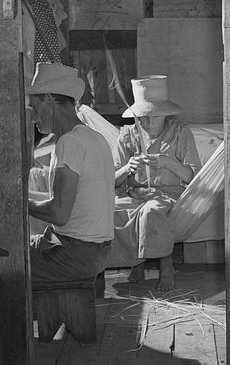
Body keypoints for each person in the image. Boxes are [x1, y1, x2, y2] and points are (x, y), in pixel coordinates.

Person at [106, 76, 201, 291]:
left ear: (165, 114)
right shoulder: (127, 135)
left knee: (151, 213)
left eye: (153, 116)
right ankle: (135, 261)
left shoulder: (180, 133)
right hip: (133, 194)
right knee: (109, 211)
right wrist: (127, 168)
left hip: (168, 196)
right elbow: (111, 179)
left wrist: (167, 163)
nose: (147, 123)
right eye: (142, 117)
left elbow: (193, 176)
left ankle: (165, 264)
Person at [26, 62, 115, 283]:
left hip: (75, 254)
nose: (34, 117)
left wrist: (17, 204)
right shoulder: (94, 138)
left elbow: (59, 214)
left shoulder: (70, 143)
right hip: (93, 252)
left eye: (35, 107)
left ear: (48, 100)